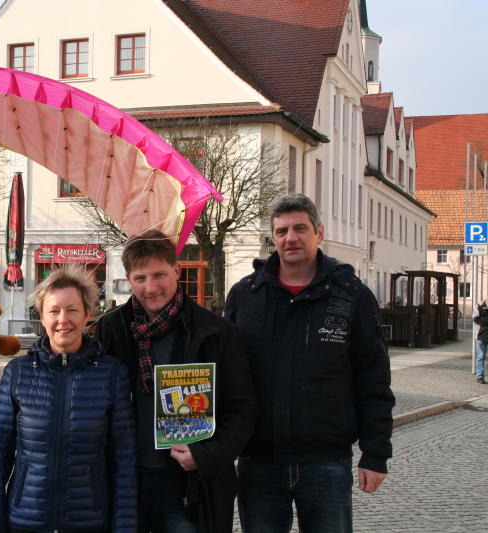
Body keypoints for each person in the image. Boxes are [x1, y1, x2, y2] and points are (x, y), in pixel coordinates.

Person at [224, 193, 395, 533]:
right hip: (259, 461)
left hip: (326, 461)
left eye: (300, 228)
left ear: (319, 233)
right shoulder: (246, 295)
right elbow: (227, 375)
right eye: (282, 231)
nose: (290, 238)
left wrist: (375, 453)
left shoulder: (351, 296)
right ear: (273, 238)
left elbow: (373, 378)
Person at [93, 229, 257, 533]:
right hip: (126, 481)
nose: (151, 287)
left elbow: (242, 410)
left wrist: (205, 455)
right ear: (129, 279)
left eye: (159, 275)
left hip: (189, 485)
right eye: (140, 278)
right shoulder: (110, 330)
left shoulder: (216, 333)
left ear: (177, 271)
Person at [0, 265, 136, 532]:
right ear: (42, 317)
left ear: (88, 314)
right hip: (27, 521)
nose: (63, 319)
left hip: (89, 522)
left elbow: (125, 461)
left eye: (72, 310)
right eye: (53, 311)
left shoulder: (112, 374)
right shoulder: (18, 373)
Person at [473, 300, 488, 384]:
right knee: (480, 356)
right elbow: (476, 319)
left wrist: (484, 320)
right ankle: (480, 376)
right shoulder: (478, 305)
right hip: (481, 335)